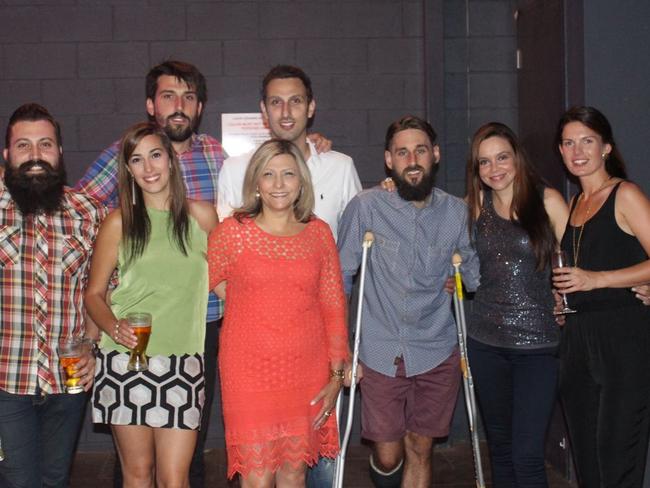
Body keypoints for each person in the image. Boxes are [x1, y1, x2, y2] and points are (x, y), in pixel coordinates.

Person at [76, 60, 225, 487]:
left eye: (155, 155)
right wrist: (112, 326)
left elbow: (227, 284)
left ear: (170, 159)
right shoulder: (118, 222)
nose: (148, 167)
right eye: (136, 160)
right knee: (138, 475)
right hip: (125, 360)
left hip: (184, 359)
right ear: (127, 170)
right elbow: (94, 294)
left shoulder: (202, 216)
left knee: (175, 478)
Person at [337, 115, 480, 488]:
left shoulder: (456, 213)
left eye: (420, 150)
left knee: (421, 447)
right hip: (382, 349)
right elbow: (340, 277)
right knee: (389, 454)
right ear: (389, 159)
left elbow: (475, 273)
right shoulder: (366, 207)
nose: (412, 160)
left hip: (436, 347)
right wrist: (340, 344)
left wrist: (460, 280)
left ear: (434, 155)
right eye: (402, 152)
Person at [207, 139, 349, 487]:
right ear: (256, 181)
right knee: (257, 477)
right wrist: (247, 301)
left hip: (307, 371)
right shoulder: (232, 233)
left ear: (301, 181)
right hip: (249, 372)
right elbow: (206, 281)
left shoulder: (318, 234)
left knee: (294, 472)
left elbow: (333, 304)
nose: (279, 184)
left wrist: (335, 377)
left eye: (288, 174)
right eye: (269, 175)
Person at [0, 103, 105, 487]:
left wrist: (91, 345)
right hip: (6, 380)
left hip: (68, 379)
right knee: (17, 480)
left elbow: (101, 289)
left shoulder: (89, 212)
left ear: (59, 152)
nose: (35, 156)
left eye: (45, 145)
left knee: (55, 479)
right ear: (8, 154)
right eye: (23, 146)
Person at [465, 122, 569, 487]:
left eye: (502, 158)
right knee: (502, 450)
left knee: (527, 455)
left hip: (538, 346)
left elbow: (575, 264)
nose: (495, 169)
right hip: (486, 344)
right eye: (484, 162)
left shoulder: (548, 201)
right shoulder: (476, 205)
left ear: (517, 158)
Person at [552, 106, 650, 487]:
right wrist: (560, 302)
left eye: (587, 141)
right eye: (568, 142)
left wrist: (598, 279)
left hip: (623, 341)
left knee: (617, 462)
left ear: (606, 147)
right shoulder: (575, 203)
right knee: (589, 466)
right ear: (560, 151)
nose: (578, 151)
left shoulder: (624, 194)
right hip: (577, 343)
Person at [217, 64, 361, 241]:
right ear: (264, 110)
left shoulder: (340, 168)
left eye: (296, 101)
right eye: (276, 102)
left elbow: (356, 242)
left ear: (310, 107)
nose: (286, 113)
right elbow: (225, 242)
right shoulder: (235, 169)